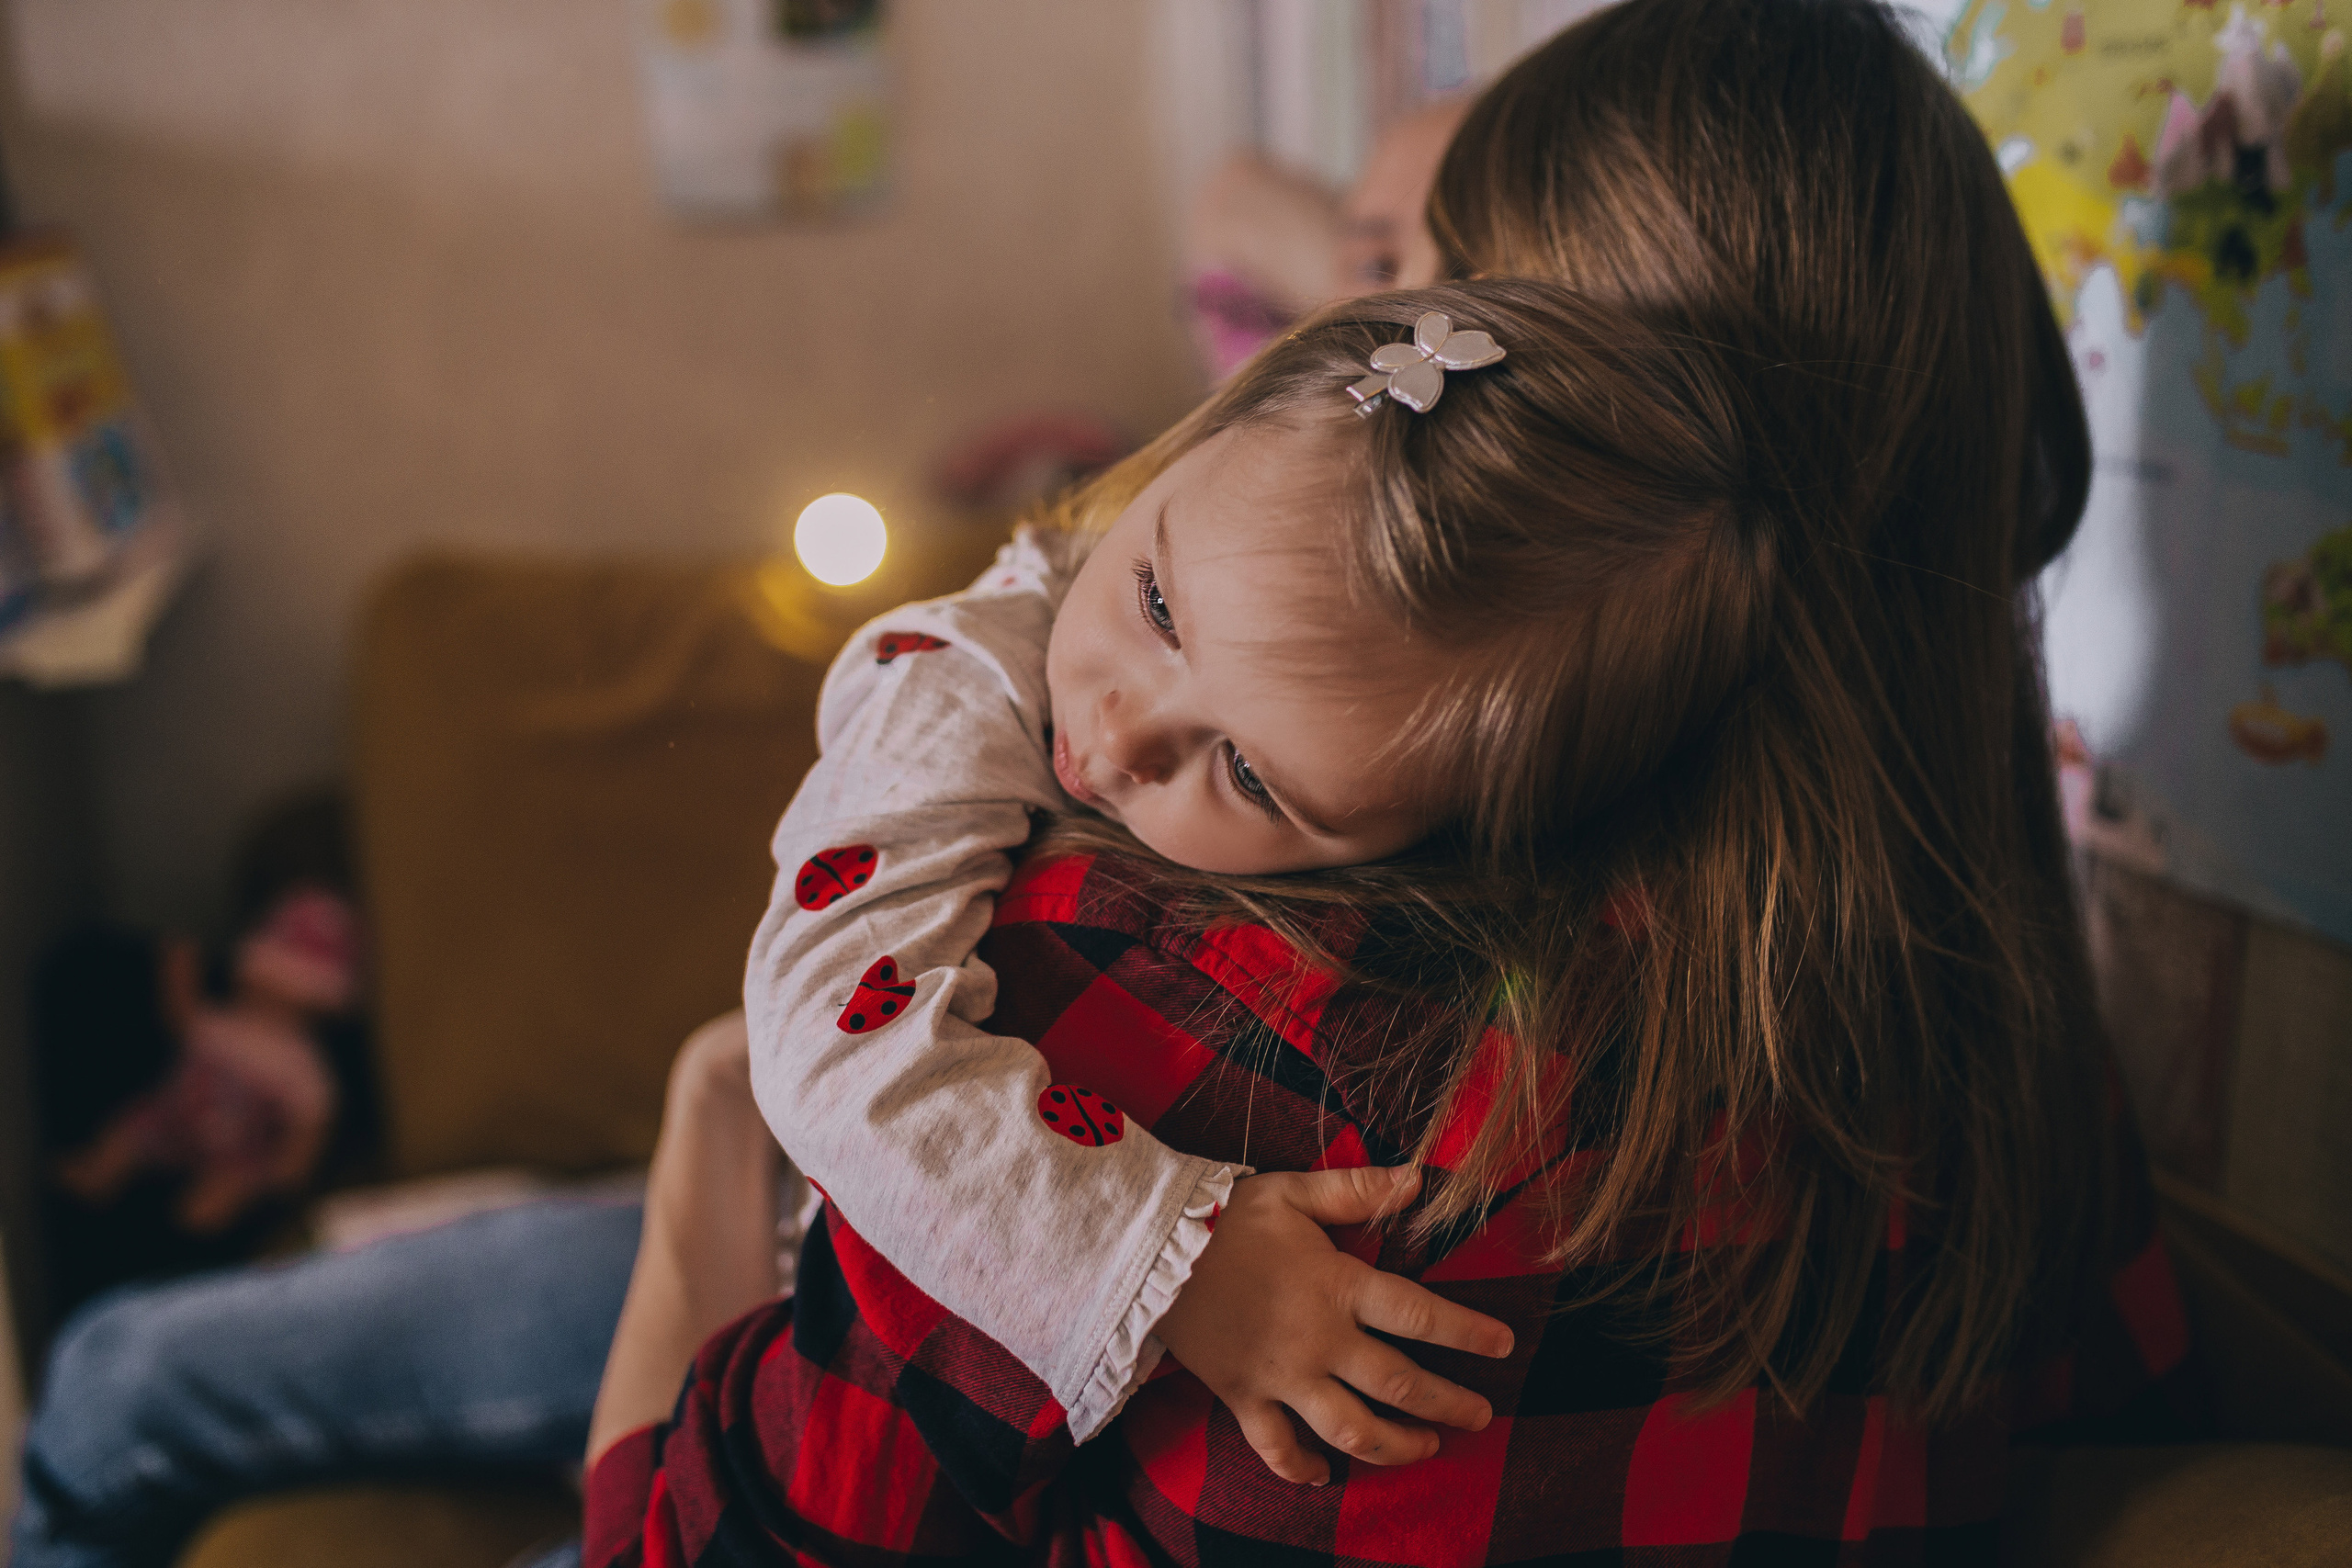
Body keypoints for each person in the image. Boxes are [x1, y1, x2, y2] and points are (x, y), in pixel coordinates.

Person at [580, 2, 2196, 1529]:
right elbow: (2126, 1408)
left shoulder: (1167, 1003)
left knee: (396, 1336)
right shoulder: (2002, 1025)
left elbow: (679, 1537)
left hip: (800, 1277)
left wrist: (703, 1134)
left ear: (1565, 440)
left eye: (1444, 276)